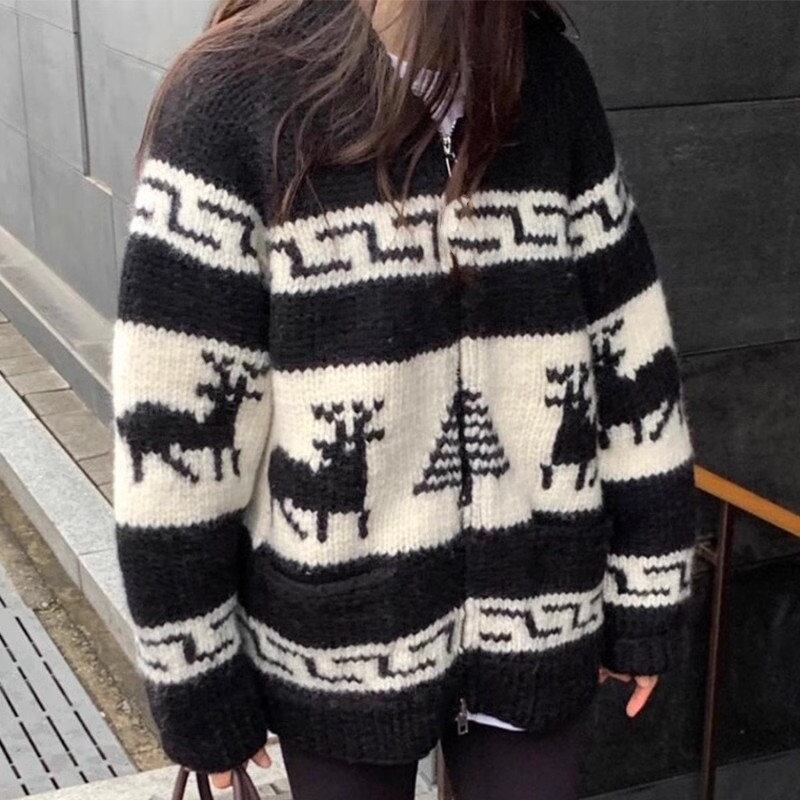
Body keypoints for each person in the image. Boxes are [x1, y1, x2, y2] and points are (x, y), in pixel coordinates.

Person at [111, 1, 698, 798]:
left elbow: (630, 351)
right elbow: (179, 429)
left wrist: (648, 586)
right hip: (335, 641)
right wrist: (195, 675)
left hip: (541, 609)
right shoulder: (231, 97)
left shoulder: (548, 82)